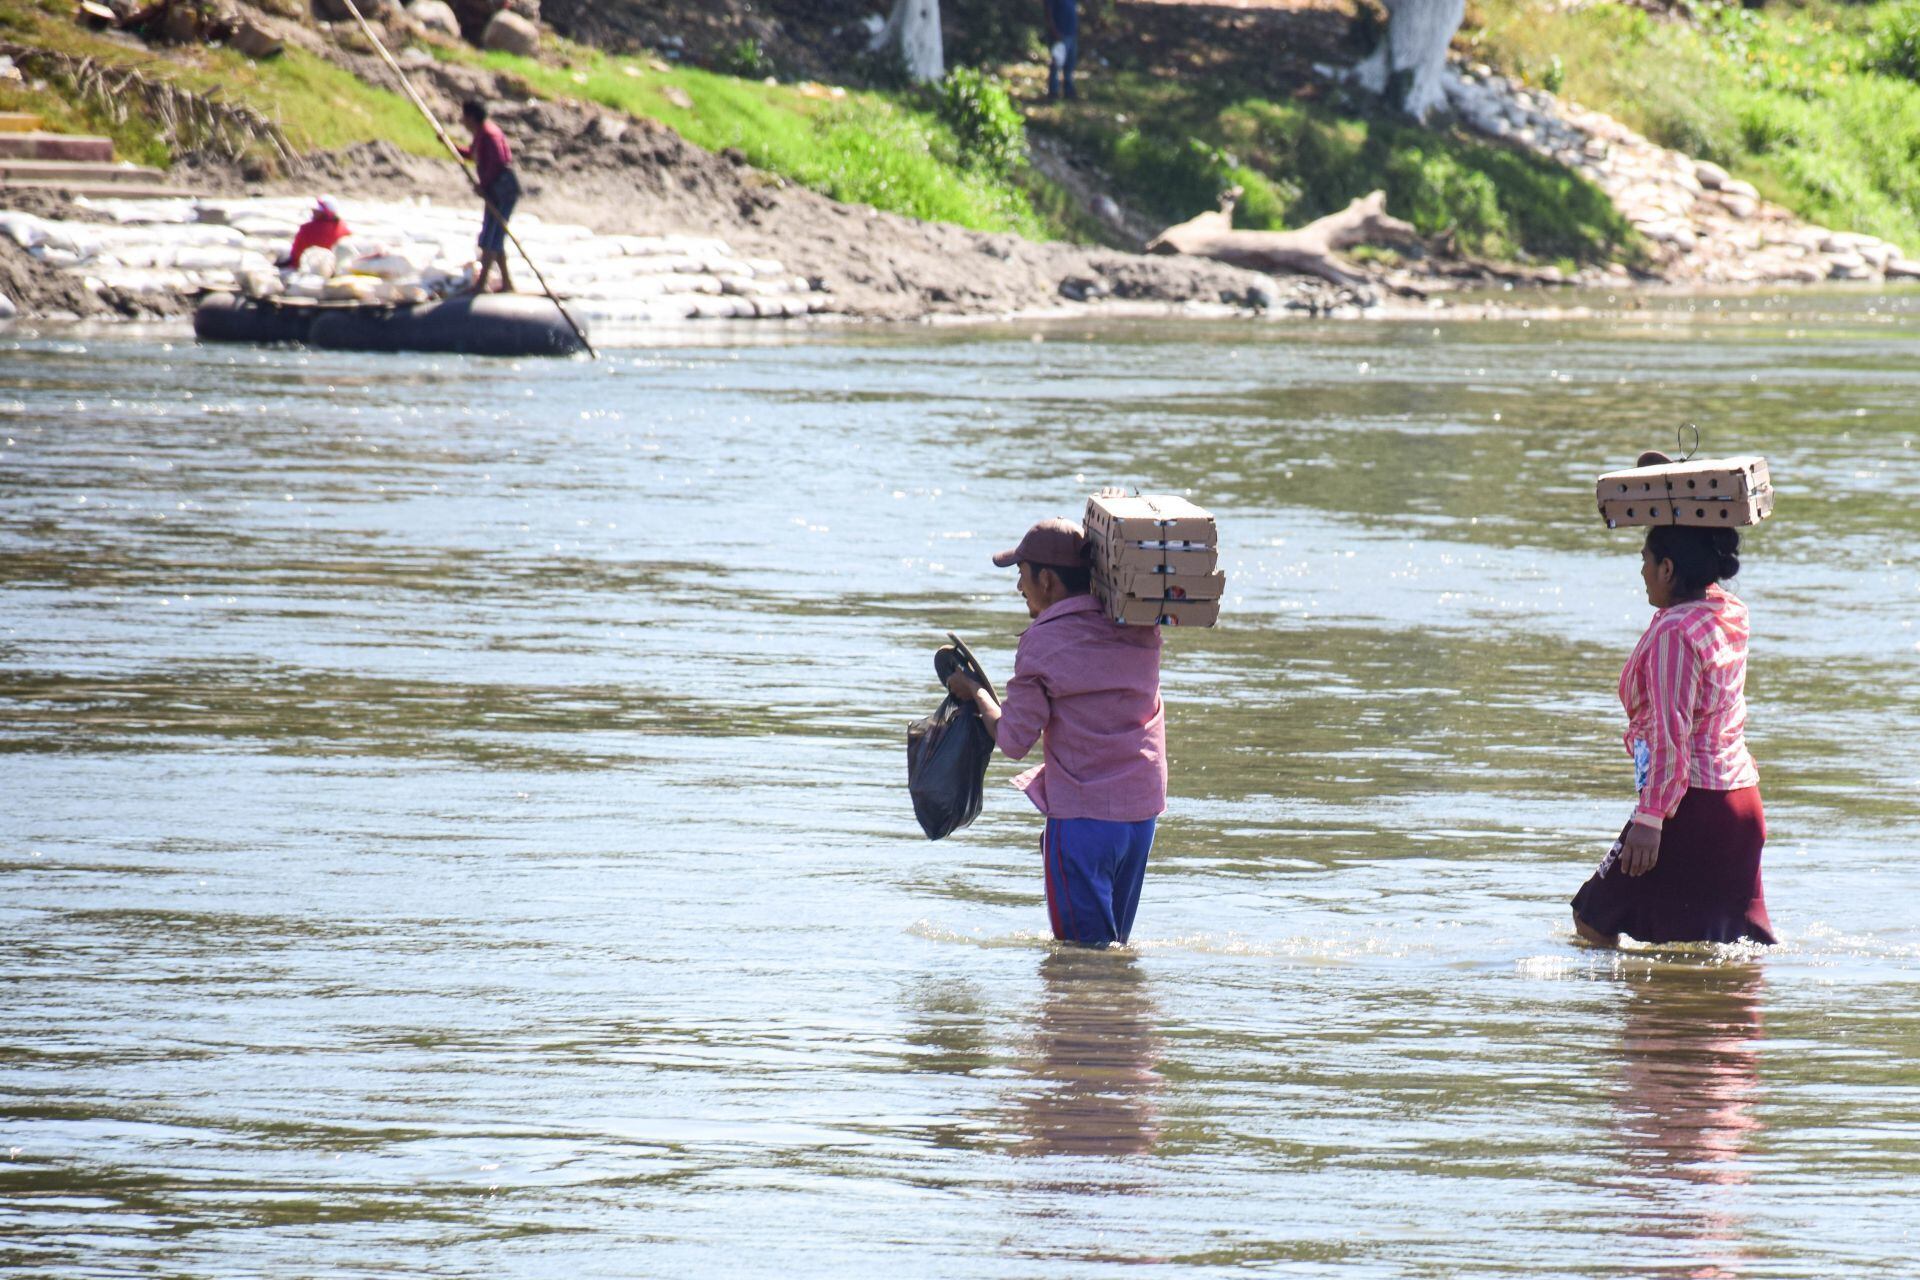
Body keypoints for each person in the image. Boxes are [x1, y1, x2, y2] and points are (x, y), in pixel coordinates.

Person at [945, 518, 1166, 948]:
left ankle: (1084, 1016)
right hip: (1141, 814)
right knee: (1112, 948)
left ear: (1046, 580)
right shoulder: (1141, 626)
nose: (1018, 588)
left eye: (1021, 575)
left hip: (1084, 819)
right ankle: (1118, 1016)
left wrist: (975, 693)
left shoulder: (1042, 641)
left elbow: (1012, 740)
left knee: (1079, 957)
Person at [1570, 515, 1774, 947]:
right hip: (1742, 805)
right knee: (1721, 949)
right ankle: (1681, 1010)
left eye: (1645, 559)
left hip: (1691, 805)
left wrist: (1650, 818)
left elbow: (1670, 734)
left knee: (1593, 919)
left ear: (1667, 568)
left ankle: (1649, 1008)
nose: (1641, 571)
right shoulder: (1728, 612)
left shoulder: (1674, 633)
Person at [457, 99, 519, 295]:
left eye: (464, 117)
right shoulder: (482, 134)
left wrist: (484, 186)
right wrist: (451, 145)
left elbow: (497, 162)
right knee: (493, 236)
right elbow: (474, 155)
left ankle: (481, 284)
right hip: (494, 189)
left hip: (502, 189)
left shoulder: (490, 134)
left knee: (492, 236)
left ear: (471, 117)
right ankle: (507, 283)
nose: (462, 121)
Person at [282, 196, 348, 269]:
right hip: (335, 267)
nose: (313, 211)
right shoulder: (343, 226)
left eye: (317, 210)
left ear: (325, 212)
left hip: (306, 267)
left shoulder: (307, 229)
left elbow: (296, 255)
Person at [1043, 0, 1078, 101]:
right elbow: (1048, 13)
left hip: (1071, 33)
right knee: (1056, 64)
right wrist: (1054, 30)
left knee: (1070, 64)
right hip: (1059, 35)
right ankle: (1053, 92)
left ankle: (1069, 90)